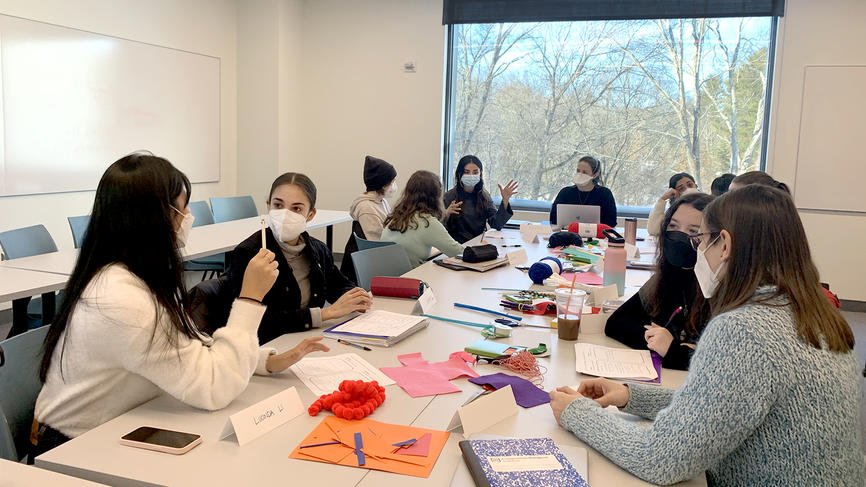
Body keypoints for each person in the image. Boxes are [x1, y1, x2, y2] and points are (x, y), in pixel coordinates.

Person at [549, 184, 863, 486]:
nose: (697, 251)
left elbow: (659, 459)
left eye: (701, 240)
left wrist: (577, 413)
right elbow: (721, 406)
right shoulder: (815, 315)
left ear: (723, 244)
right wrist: (632, 396)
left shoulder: (745, 328)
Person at [33, 153, 329, 454]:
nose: (189, 217)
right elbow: (214, 387)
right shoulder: (121, 299)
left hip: (120, 424)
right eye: (183, 208)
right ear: (155, 217)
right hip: (74, 449)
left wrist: (264, 361)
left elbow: (187, 346)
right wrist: (250, 298)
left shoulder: (132, 276)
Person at [227, 172, 371, 344]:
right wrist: (327, 313)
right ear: (268, 206)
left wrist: (355, 297)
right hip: (269, 347)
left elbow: (336, 284)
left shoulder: (318, 249)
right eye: (278, 205)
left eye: (296, 208)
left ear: (310, 214)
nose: (285, 214)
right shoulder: (249, 254)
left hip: (306, 338)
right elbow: (259, 321)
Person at [604, 192, 713, 370]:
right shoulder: (670, 274)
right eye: (673, 226)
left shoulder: (718, 288)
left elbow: (714, 365)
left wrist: (671, 349)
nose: (680, 236)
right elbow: (616, 323)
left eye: (693, 231)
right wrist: (661, 342)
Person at [381, 170, 465, 267]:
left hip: (386, 278)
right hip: (409, 279)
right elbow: (457, 252)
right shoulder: (427, 222)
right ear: (435, 197)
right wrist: (482, 249)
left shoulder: (397, 216)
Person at [442, 155, 518, 243]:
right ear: (459, 173)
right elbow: (437, 228)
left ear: (480, 173)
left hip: (478, 245)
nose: (471, 175)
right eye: (467, 172)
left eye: (475, 172)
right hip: (455, 246)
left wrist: (505, 200)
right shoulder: (449, 196)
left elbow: (496, 224)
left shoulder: (484, 196)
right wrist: (446, 213)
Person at [550, 156, 617, 228]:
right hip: (568, 234)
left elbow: (611, 222)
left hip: (596, 236)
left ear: (594, 175)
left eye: (584, 172)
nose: (580, 174)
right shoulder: (565, 192)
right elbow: (553, 219)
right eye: (578, 171)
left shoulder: (605, 194)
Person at [349, 155, 397, 241]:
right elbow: (376, 242)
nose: (394, 185)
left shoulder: (382, 201)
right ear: (383, 185)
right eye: (392, 182)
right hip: (373, 252)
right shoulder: (367, 208)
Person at [647, 172, 698, 236]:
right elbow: (654, 231)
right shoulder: (674, 212)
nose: (688, 189)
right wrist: (662, 199)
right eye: (681, 189)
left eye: (690, 185)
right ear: (675, 194)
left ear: (696, 186)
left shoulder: (707, 206)